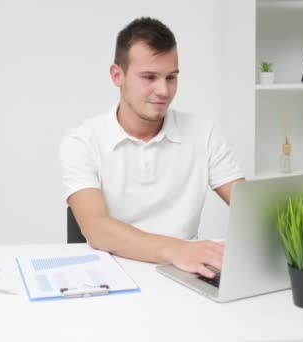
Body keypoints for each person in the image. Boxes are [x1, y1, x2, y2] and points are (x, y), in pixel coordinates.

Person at [59, 17, 244, 278]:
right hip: (112, 273)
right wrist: (178, 250)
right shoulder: (82, 141)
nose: (163, 90)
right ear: (117, 75)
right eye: (149, 77)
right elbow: (96, 228)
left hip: (185, 274)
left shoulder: (204, 134)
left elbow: (248, 205)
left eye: (171, 77)